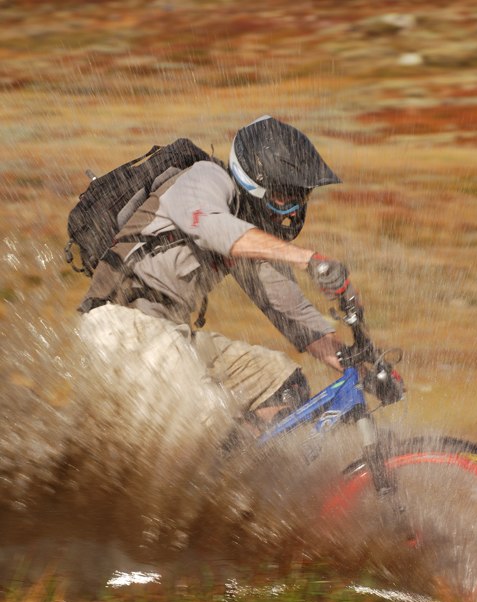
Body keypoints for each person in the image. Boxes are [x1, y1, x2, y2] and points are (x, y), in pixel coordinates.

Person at [78, 115, 359, 432]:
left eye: (300, 197)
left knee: (282, 384)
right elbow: (213, 228)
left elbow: (293, 313)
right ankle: (211, 470)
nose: (294, 210)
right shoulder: (206, 178)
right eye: (285, 195)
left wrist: (361, 366)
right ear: (255, 182)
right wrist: (309, 260)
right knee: (210, 417)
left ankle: (238, 472)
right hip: (121, 328)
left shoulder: (249, 235)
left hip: (171, 337)